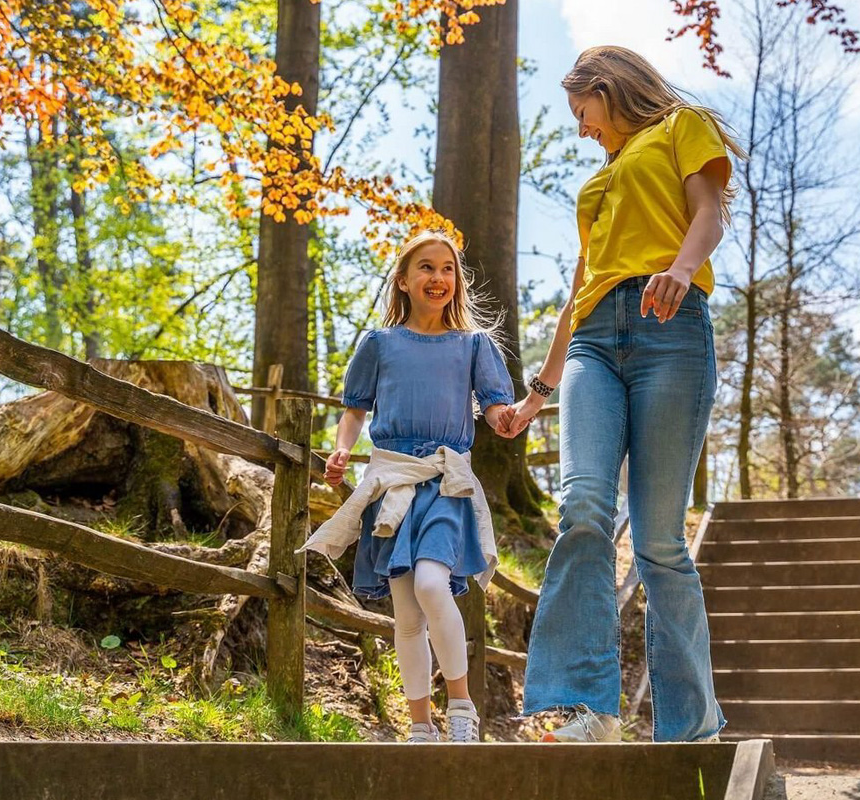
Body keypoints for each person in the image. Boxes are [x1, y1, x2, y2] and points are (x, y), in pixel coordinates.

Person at [505, 45, 746, 743]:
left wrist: (681, 267)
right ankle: (586, 710)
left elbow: (709, 213)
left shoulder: (680, 127)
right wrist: (538, 392)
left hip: (669, 331)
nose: (583, 129)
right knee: (582, 505)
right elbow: (579, 289)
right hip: (592, 341)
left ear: (608, 89)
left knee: (660, 543)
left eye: (583, 113)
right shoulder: (602, 181)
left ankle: (690, 727)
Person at [300, 230, 516, 743]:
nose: (437, 277)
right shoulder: (380, 343)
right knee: (405, 616)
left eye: (447, 269)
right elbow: (355, 409)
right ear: (403, 279)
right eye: (425, 267)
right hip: (391, 481)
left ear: (456, 281)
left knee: (429, 585)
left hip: (444, 483)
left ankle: (461, 705)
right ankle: (421, 725)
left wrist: (510, 414)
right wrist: (341, 449)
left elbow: (495, 405)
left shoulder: (473, 345)